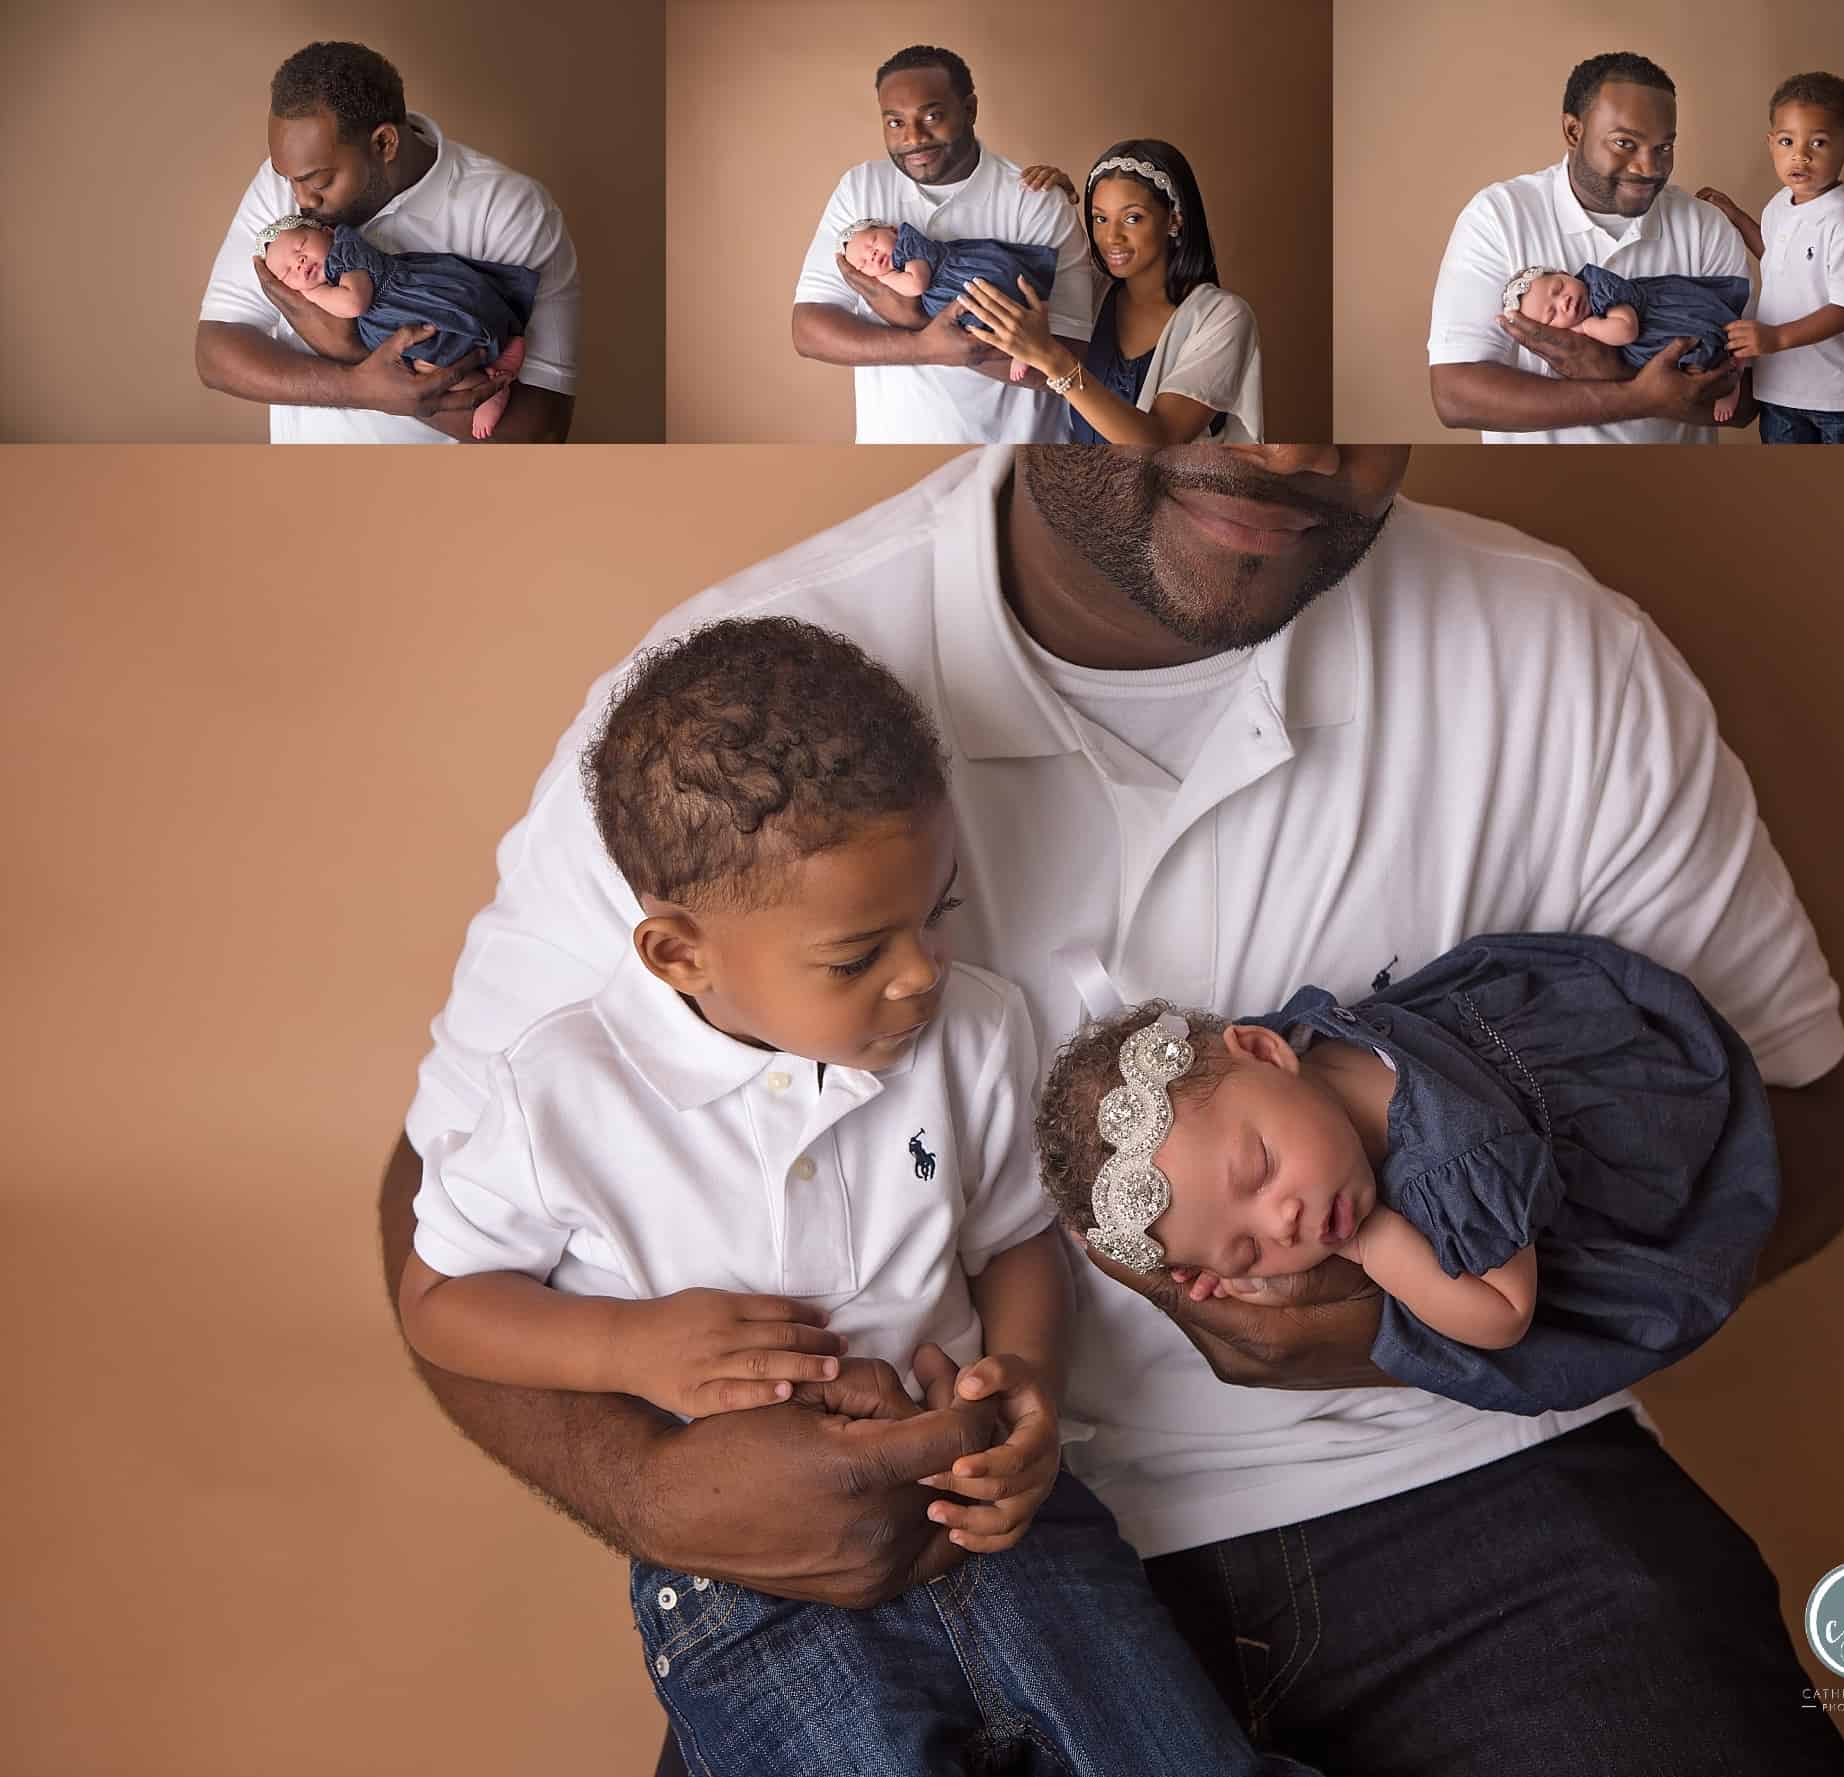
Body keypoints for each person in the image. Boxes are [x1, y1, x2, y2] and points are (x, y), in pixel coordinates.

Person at [381, 444, 1844, 1775]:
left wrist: (1438, 1309)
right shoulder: (715, 731)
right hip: (902, 1546)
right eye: (1206, 382)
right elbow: (444, 1214)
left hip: (1471, 1483)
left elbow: (1811, 1138)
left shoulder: (1549, 654)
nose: (1283, 443)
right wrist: (648, 1486)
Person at [399, 616, 1314, 1776]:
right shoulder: (561, 1097)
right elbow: (440, 1300)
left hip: (994, 1520)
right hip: (751, 1582)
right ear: (679, 955)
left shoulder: (972, 1029)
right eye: (855, 956)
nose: (920, 974)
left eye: (937, 914)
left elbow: (1016, 1240)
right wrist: (629, 1346)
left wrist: (1025, 1382)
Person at [1032, 932, 1780, 1417]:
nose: (1281, 1220)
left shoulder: (1455, 1164)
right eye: (1250, 1250)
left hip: (1623, 1123)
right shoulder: (1288, 1064)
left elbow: (1501, 1313)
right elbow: (1211, 1139)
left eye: (1258, 1171)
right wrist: (1223, 1258)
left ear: (1265, 1049)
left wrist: (1377, 1244)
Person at [196, 40, 578, 444]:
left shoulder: (508, 209)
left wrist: (352, 352)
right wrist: (357, 385)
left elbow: (539, 434)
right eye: (286, 178)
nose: (300, 200)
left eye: (320, 182)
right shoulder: (293, 179)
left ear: (384, 144)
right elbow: (215, 354)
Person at [1428, 51, 1751, 444]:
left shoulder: (1706, 227)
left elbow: (1751, 404)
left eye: (1664, 148)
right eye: (1625, 143)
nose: (1649, 167)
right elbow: (1456, 396)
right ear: (1573, 131)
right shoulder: (1499, 217)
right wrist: (1634, 396)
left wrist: (1612, 369)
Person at [790, 45, 1093, 442]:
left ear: (969, 110)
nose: (913, 138)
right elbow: (808, 330)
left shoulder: (1035, 198)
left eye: (931, 116)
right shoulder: (862, 188)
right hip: (892, 456)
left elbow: (1067, 366)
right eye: (895, 122)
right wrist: (923, 346)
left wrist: (917, 321)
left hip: (1018, 459)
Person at [955, 139, 1265, 443]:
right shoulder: (1091, 293)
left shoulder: (1223, 318)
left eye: (1132, 218)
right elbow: (1010, 260)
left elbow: (1162, 440)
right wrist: (1048, 202)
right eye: (1100, 218)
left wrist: (1055, 361)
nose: (1112, 237)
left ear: (1174, 220)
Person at [1697, 72, 1844, 444]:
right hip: (1780, 389)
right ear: (1771, 144)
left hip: (1836, 395)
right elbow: (1775, 258)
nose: (1800, 155)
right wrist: (1735, 216)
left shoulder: (1842, 222)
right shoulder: (1779, 205)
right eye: (1787, 141)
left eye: (1819, 142)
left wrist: (1777, 337)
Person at [255, 216, 537, 439]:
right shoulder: (331, 275)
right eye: (286, 272)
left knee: (433, 359)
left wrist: (312, 294)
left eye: (300, 245)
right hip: (398, 319)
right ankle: (498, 359)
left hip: (411, 301)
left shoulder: (346, 252)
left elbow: (354, 304)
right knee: (430, 362)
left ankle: (491, 386)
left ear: (328, 232)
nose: (298, 261)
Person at [1500, 264, 1750, 422]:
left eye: (1559, 288)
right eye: (1552, 314)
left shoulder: (1601, 289)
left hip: (1668, 320)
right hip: (1653, 347)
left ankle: (1733, 376)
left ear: (1566, 274)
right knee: (1691, 374)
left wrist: (1587, 327)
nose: (1563, 302)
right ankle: (1727, 377)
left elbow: (1626, 331)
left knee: (1706, 350)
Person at [836, 218, 1059, 380]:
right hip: (953, 292)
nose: (872, 255)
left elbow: (916, 284)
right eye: (863, 264)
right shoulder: (900, 265)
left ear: (892, 230)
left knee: (1001, 294)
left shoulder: (908, 245)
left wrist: (886, 277)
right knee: (982, 324)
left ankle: (1028, 333)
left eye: (872, 242)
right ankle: (1020, 345)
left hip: (964, 273)